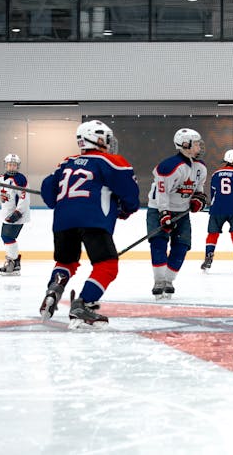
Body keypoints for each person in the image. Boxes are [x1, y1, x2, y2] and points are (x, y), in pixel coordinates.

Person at [39, 120, 140, 329]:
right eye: (107, 138)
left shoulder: (66, 162)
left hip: (63, 221)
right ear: (97, 138)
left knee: (66, 262)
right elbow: (129, 192)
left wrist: (65, 203)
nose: (109, 143)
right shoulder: (111, 161)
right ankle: (83, 303)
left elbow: (48, 191)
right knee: (107, 265)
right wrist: (126, 209)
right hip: (94, 219)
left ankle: (53, 291)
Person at [147, 128, 207, 299]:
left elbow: (199, 189)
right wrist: (164, 213)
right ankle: (159, 281)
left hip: (182, 212)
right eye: (196, 144)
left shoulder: (200, 167)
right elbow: (162, 192)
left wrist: (198, 199)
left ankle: (169, 280)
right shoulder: (170, 166)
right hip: (158, 209)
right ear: (185, 145)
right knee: (158, 242)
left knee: (182, 246)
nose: (199, 147)